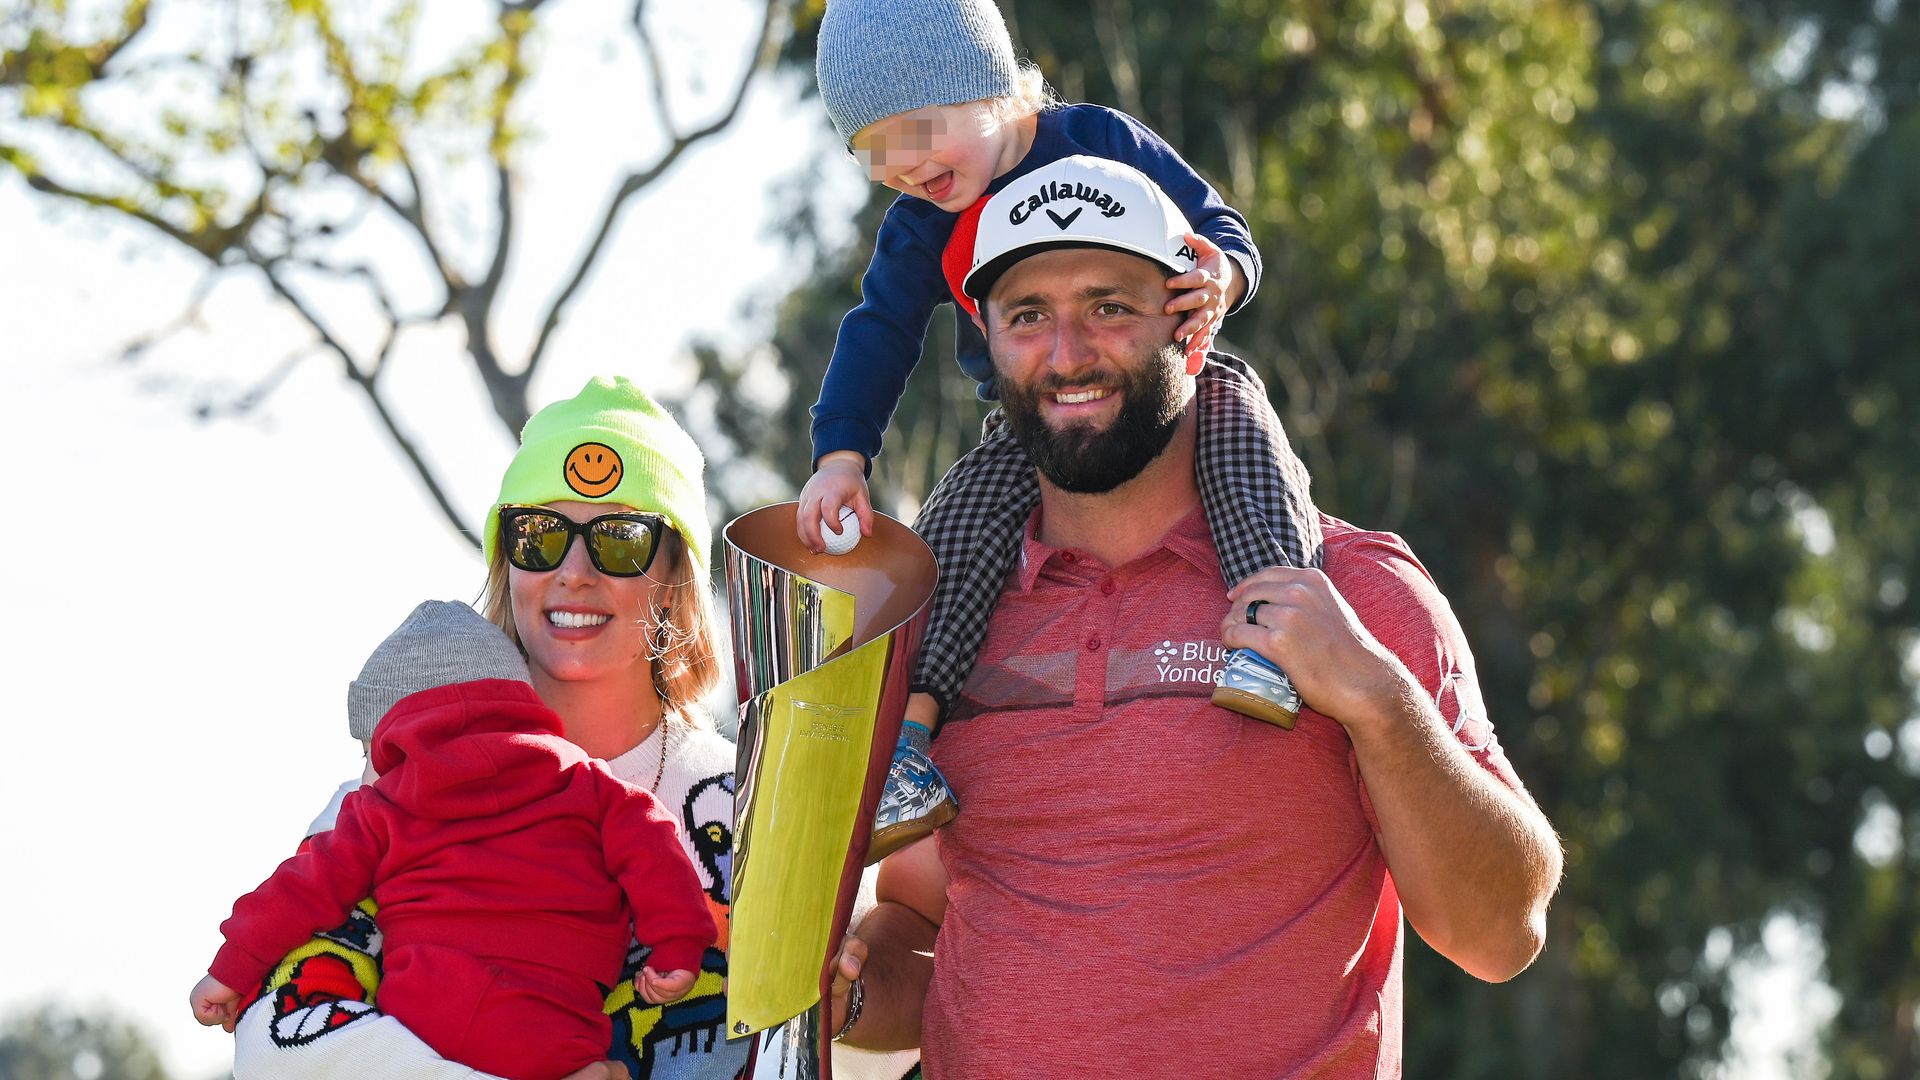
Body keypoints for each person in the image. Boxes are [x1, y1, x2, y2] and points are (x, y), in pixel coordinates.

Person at [822, 159, 1564, 1077]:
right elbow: (928, 933)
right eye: (1027, 316)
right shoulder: (949, 623)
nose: (1066, 353)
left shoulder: (1351, 590)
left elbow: (1501, 931)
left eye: (1109, 306)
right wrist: (851, 988)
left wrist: (1376, 696)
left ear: (1194, 327)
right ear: (989, 342)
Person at [798, 0, 1322, 859]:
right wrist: (841, 456)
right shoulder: (921, 224)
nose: (903, 165)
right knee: (959, 521)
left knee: (1246, 438)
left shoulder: (1100, 142)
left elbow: (1222, 225)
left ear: (990, 84)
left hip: (1171, 380)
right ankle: (906, 743)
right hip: (1031, 426)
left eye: (919, 130)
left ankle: (1270, 633)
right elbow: (878, 333)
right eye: (873, 152)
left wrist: (1220, 276)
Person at [228, 377, 749, 1080]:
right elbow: (278, 1047)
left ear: (676, 572)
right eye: (539, 535)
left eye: (620, 540)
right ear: (507, 561)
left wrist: (847, 998)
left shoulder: (745, 796)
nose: (573, 571)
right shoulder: (397, 787)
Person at [194, 601, 716, 1080]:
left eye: (366, 751)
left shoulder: (382, 807)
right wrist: (677, 943)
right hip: (556, 1028)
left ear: (395, 734)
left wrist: (230, 969)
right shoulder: (586, 781)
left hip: (425, 1018)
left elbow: (302, 888)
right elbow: (654, 842)